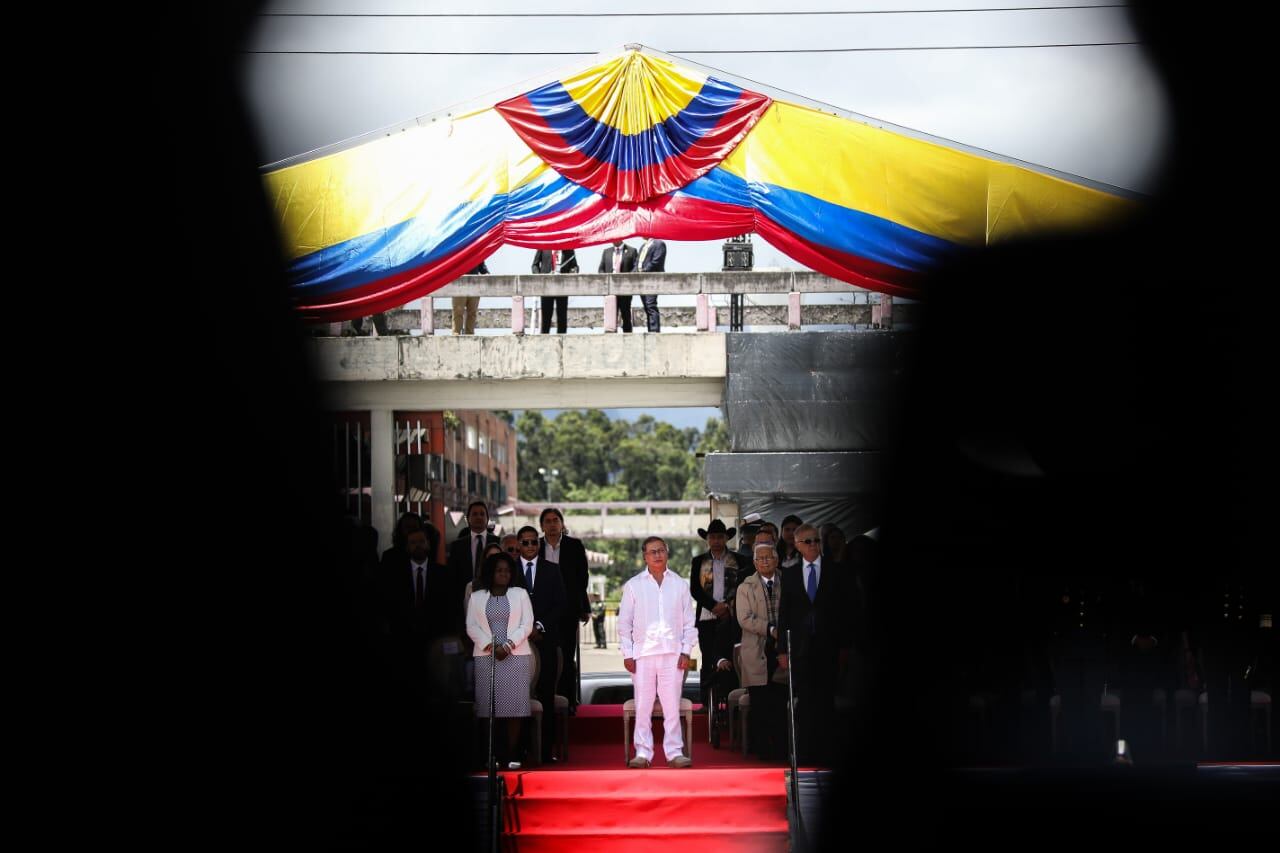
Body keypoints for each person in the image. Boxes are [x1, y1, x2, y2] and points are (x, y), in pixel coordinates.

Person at [776, 523, 853, 765]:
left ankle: (828, 753)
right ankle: (806, 753)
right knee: (805, 701)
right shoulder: (789, 574)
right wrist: (781, 650)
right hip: (800, 648)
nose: (813, 545)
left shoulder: (836, 571)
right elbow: (784, 614)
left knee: (826, 701)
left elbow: (845, 611)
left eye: (816, 541)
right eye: (807, 542)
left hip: (828, 646)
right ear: (797, 546)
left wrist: (844, 646)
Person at [618, 536, 698, 768]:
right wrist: (627, 653)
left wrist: (686, 651)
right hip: (642, 654)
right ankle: (642, 752)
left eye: (661, 550)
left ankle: (674, 752)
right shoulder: (634, 585)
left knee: (671, 706)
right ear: (644, 556)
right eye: (652, 551)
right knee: (643, 705)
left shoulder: (680, 584)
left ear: (667, 553)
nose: (657, 555)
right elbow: (624, 623)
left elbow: (689, 623)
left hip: (672, 654)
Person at [466, 552, 534, 769]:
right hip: (487, 657)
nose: (503, 574)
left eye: (507, 570)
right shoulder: (477, 597)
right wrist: (492, 646)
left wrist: (507, 645)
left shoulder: (520, 594)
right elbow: (471, 627)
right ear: (490, 573)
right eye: (499, 570)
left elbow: (527, 624)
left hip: (515, 656)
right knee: (488, 708)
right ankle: (491, 755)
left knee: (514, 708)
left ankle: (513, 755)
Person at [516, 525, 566, 763]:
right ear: (518, 545)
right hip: (516, 643)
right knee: (516, 697)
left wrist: (540, 626)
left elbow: (560, 604)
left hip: (545, 641)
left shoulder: (552, 570)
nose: (530, 546)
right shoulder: (510, 571)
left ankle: (545, 752)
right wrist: (524, 630)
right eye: (525, 542)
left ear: (539, 544)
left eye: (533, 542)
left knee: (545, 695)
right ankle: (520, 750)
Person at [737, 542, 789, 760]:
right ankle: (762, 750)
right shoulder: (745, 587)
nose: (765, 561)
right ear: (754, 562)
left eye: (769, 557)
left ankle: (782, 748)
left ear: (777, 560)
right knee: (760, 701)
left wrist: (782, 632)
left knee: (779, 700)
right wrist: (770, 629)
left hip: (784, 647)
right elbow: (744, 618)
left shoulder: (788, 581)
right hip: (757, 648)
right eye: (761, 558)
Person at [690, 519, 745, 711]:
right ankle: (706, 702)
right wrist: (714, 606)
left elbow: (742, 587)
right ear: (707, 539)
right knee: (707, 658)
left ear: (726, 538)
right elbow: (695, 590)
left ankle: (733, 698)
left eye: (720, 537)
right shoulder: (698, 561)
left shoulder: (739, 560)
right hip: (707, 616)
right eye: (712, 537)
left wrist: (728, 607)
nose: (716, 541)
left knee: (732, 657)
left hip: (732, 616)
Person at [539, 507, 591, 712]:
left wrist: (583, 607)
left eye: (555, 520)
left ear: (562, 524)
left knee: (567, 657)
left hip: (568, 610)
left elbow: (582, 579)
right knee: (545, 656)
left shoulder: (574, 546)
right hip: (542, 612)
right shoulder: (536, 546)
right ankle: (546, 700)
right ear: (542, 525)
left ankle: (569, 700)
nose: (552, 525)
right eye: (548, 521)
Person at [448, 501, 499, 619]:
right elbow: (453, 578)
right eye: (475, 514)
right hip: (465, 603)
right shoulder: (457, 546)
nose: (479, 517)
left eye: (482, 514)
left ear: (487, 518)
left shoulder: (498, 542)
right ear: (468, 519)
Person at [531, 248, 578, 334]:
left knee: (562, 317)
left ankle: (562, 343)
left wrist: (573, 272)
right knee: (546, 318)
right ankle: (545, 341)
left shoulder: (568, 249)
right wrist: (540, 278)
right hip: (546, 287)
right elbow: (534, 265)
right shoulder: (543, 247)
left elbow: (574, 266)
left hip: (563, 287)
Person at [598, 240, 639, 331]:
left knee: (626, 315)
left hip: (625, 289)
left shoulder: (632, 251)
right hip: (610, 290)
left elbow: (635, 268)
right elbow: (601, 269)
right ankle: (611, 338)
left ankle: (628, 338)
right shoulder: (606, 252)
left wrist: (627, 279)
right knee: (610, 317)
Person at [634, 236, 665, 332]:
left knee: (651, 305)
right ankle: (650, 330)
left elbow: (656, 261)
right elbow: (637, 262)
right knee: (647, 306)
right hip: (641, 280)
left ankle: (654, 331)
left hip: (652, 279)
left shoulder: (659, 243)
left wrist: (644, 270)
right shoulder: (643, 245)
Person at [451, 261, 489, 335]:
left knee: (472, 312)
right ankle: (456, 336)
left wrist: (486, 272)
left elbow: (481, 265)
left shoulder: (476, 251)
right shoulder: (455, 249)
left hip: (474, 285)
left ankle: (470, 336)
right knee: (458, 311)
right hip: (459, 284)